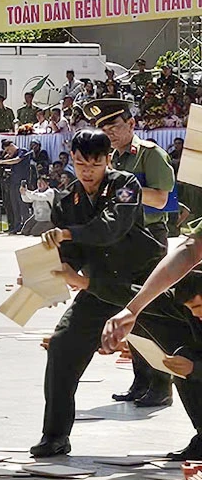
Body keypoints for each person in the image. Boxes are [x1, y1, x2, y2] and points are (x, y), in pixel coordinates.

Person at [30, 130, 172, 458]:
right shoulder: (67, 200)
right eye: (80, 163)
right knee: (63, 348)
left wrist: (66, 234)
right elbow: (73, 252)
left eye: (95, 163)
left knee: (183, 350)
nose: (87, 171)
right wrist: (45, 271)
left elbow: (111, 228)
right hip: (100, 286)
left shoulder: (125, 185)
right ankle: (55, 436)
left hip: (140, 284)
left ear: (109, 159)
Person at [93, 98, 177, 408]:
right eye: (105, 129)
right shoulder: (112, 160)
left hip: (150, 239)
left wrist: (125, 190)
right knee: (132, 316)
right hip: (125, 240)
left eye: (114, 127)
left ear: (131, 124)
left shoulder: (150, 155)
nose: (110, 134)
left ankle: (161, 384)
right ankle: (141, 380)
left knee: (152, 314)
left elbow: (162, 200)